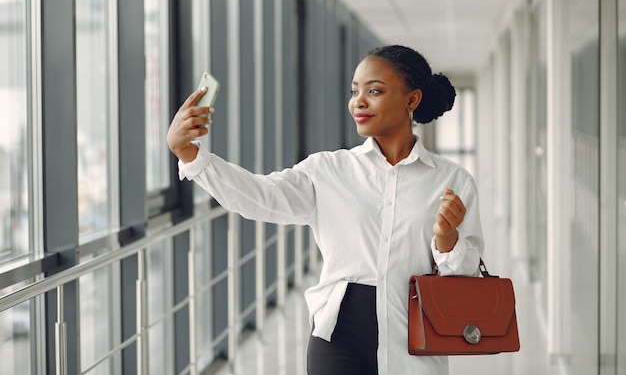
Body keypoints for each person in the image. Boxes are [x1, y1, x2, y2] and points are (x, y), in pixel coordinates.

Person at [167, 44, 484, 375]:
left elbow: (468, 277)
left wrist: (447, 238)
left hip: (415, 342)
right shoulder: (328, 170)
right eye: (354, 91)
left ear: (411, 100)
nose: (358, 101)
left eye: (374, 91)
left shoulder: (452, 180)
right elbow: (259, 196)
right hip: (339, 337)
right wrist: (191, 155)